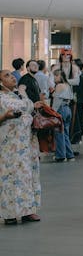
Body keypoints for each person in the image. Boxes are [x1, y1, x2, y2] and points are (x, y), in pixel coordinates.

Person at [0, 69, 41, 224]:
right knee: (10, 176)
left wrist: (33, 104)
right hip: (8, 145)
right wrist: (5, 116)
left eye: (11, 75)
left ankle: (27, 211)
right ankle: (9, 213)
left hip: (26, 143)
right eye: (6, 76)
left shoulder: (18, 94)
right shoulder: (1, 97)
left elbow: (27, 107)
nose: (11, 77)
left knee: (26, 175)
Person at [50, 70, 76, 162]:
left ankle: (60, 156)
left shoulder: (59, 86)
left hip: (60, 110)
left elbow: (56, 102)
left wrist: (52, 113)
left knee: (59, 133)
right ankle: (70, 155)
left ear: (60, 76)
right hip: (68, 109)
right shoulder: (68, 85)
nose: (54, 78)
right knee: (65, 133)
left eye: (55, 76)